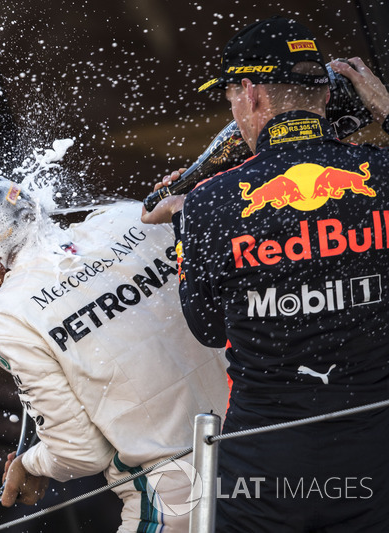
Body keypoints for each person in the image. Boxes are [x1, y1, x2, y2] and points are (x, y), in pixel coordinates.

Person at [141, 15, 389, 532]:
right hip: (377, 449)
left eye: (231, 96)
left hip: (266, 465)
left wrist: (189, 222)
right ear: (326, 96)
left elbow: (208, 328)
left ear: (249, 95)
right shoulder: (380, 174)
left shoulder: (207, 204)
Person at [0, 175, 228, 532]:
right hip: (271, 456)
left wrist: (31, 465)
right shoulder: (127, 217)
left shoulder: (7, 312)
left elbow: (80, 451)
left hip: (179, 497)